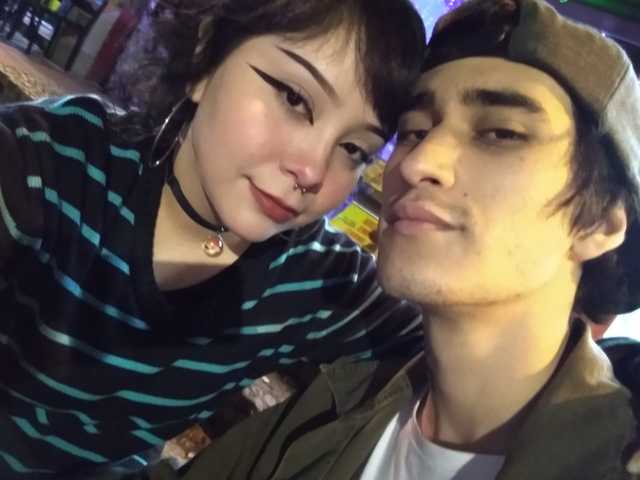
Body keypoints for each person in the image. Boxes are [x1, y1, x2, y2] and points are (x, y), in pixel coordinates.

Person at [133, 0, 640, 478]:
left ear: (602, 224)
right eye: (415, 131)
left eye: (500, 133)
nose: (418, 163)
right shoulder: (335, 407)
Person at [0, 0, 428, 477]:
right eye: (294, 98)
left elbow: (454, 364)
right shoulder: (51, 163)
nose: (311, 170)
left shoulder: (315, 277)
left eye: (353, 149)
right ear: (206, 60)